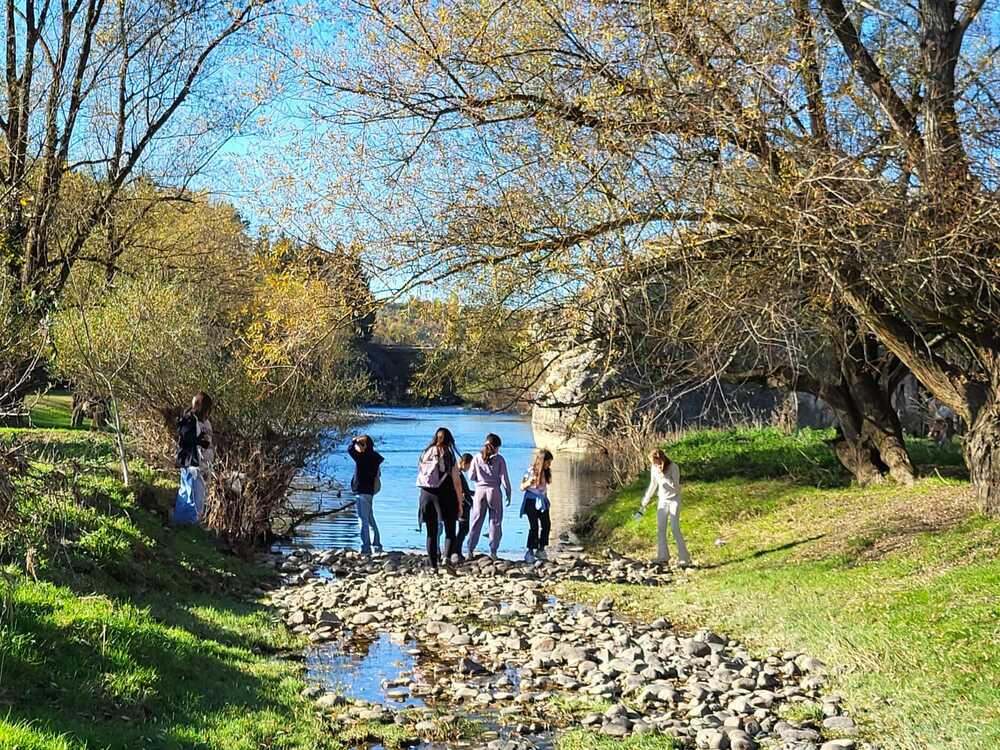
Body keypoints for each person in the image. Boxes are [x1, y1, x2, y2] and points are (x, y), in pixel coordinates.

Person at [415, 427, 465, 573]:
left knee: (431, 532)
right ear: (449, 440)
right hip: (444, 495)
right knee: (450, 529)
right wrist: (460, 501)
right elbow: (456, 480)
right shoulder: (448, 454)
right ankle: (446, 559)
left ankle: (433, 566)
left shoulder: (425, 452)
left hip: (426, 494)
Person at [635, 448, 692, 567]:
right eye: (651, 462)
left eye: (654, 461)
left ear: (660, 459)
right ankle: (663, 556)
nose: (653, 464)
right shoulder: (654, 468)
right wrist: (646, 499)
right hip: (662, 500)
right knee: (661, 528)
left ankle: (684, 558)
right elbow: (653, 484)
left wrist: (666, 480)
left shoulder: (673, 467)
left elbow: (676, 486)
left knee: (675, 528)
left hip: (674, 500)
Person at [466, 433, 512, 560]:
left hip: (479, 492)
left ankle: (470, 550)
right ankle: (493, 551)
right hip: (494, 492)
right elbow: (504, 478)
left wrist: (479, 479)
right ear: (496, 447)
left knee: (476, 521)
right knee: (495, 522)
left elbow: (470, 476)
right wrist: (509, 493)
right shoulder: (500, 459)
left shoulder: (476, 458)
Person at [172, 391, 212, 525]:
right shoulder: (189, 419)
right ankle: (187, 523)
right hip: (191, 463)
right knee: (191, 495)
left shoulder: (202, 422)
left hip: (199, 465)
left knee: (195, 495)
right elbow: (185, 438)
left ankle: (185, 522)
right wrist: (200, 441)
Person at [348, 434, 385, 555]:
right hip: (370, 490)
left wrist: (354, 441)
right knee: (369, 518)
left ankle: (366, 546)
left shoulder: (361, 457)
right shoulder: (375, 457)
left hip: (361, 490)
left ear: (364, 445)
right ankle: (376, 544)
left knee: (362, 519)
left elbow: (350, 449)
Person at [520, 448, 553, 563]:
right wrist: (529, 482)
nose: (549, 465)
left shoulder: (547, 472)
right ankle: (530, 551)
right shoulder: (530, 471)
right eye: (548, 462)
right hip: (531, 501)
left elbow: (544, 488)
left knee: (546, 524)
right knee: (534, 526)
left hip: (542, 501)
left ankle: (541, 548)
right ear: (542, 461)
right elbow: (522, 487)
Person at [452, 452, 475, 563]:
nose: (469, 469)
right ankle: (456, 550)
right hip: (462, 504)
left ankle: (456, 550)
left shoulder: (458, 473)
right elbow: (460, 490)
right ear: (464, 463)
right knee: (463, 529)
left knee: (463, 529)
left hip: (464, 503)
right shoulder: (457, 474)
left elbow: (465, 490)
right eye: (469, 466)